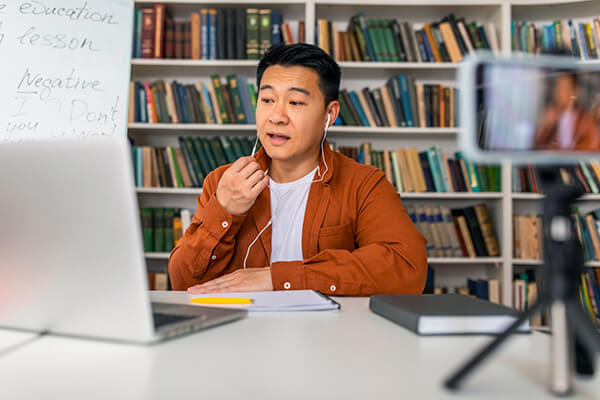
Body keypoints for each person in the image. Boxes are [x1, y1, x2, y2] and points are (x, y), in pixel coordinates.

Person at [168, 43, 427, 296]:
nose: (276, 116)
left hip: (330, 334)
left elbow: (406, 267)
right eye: (267, 99)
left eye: (295, 102)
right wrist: (224, 209)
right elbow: (184, 283)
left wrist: (275, 278)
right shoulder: (223, 181)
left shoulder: (364, 184)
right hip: (243, 333)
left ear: (330, 114)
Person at [533, 70, 600, 151]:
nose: (559, 92)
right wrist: (545, 127)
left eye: (564, 87)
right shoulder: (552, 117)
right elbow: (537, 147)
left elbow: (592, 148)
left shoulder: (585, 120)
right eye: (558, 87)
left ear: (574, 91)